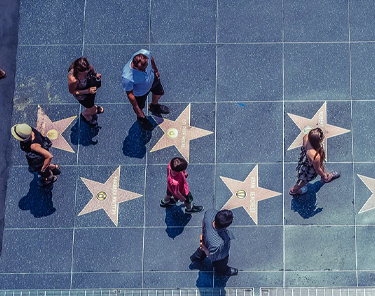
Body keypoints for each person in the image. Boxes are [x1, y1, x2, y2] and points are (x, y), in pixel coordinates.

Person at [122, 49, 169, 130]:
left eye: (145, 67)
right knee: (140, 107)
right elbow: (129, 93)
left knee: (159, 93)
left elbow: (152, 59)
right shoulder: (127, 77)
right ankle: (141, 119)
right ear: (134, 65)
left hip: (152, 79)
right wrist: (138, 109)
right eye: (141, 69)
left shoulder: (145, 54)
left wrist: (156, 70)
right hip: (140, 93)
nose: (144, 70)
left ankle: (154, 106)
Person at [289, 127, 340, 195]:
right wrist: (323, 175)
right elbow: (317, 169)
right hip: (309, 167)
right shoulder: (315, 156)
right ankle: (295, 190)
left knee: (320, 165)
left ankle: (326, 174)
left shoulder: (306, 137)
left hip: (305, 161)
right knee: (303, 180)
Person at [190, 209, 238, 276]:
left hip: (206, 240)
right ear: (225, 226)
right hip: (217, 253)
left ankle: (196, 258)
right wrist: (204, 248)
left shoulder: (210, 213)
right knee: (220, 264)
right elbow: (212, 257)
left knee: (201, 251)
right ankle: (222, 270)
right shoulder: (219, 243)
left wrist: (203, 235)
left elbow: (203, 222)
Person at [68, 57, 104, 126]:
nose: (86, 74)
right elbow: (72, 91)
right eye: (84, 73)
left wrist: (95, 74)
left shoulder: (87, 67)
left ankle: (93, 108)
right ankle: (86, 115)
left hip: (89, 89)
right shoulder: (73, 79)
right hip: (83, 96)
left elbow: (91, 69)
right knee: (91, 108)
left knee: (91, 103)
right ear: (79, 71)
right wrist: (87, 91)